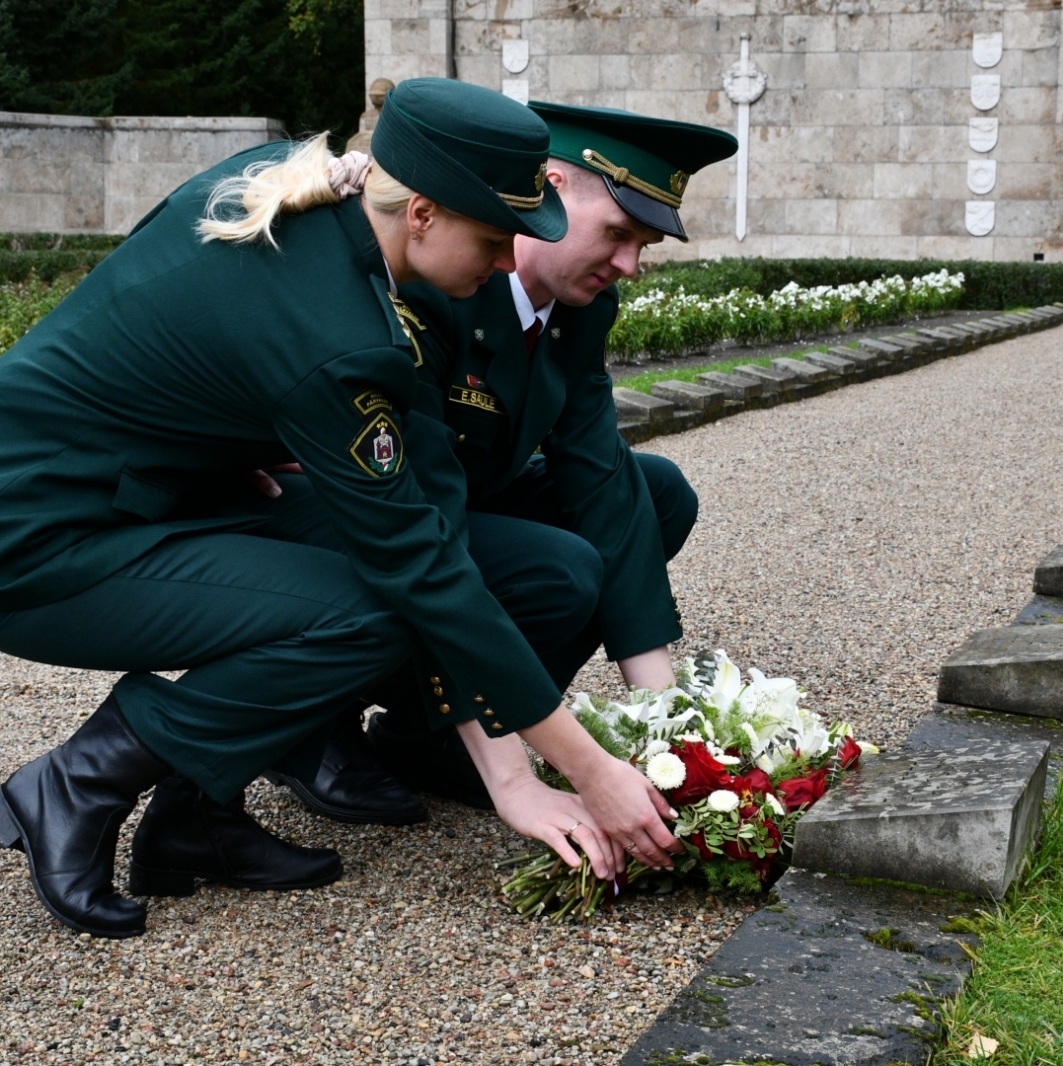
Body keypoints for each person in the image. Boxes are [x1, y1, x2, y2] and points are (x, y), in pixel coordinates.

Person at [0, 77, 679, 939]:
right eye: (495, 238)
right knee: (371, 611)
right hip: (23, 539)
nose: (509, 261)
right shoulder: (337, 330)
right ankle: (78, 783)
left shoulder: (288, 183)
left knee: (411, 579)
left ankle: (196, 818)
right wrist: (579, 772)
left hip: (146, 491)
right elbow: (421, 568)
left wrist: (217, 450)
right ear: (421, 213)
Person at [269, 101, 737, 822]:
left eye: (643, 245)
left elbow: (601, 478)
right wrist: (523, 781)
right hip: (359, 514)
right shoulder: (437, 276)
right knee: (559, 570)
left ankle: (433, 736)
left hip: (452, 502)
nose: (630, 266)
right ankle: (313, 724)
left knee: (656, 492)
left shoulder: (582, 309)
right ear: (549, 189)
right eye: (617, 234)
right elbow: (419, 516)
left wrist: (671, 730)